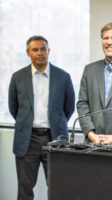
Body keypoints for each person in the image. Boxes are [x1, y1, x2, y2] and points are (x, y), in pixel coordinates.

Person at [8, 35, 75, 200]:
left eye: (43, 49)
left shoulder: (63, 77)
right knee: (24, 190)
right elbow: (14, 108)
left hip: (55, 140)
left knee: (58, 189)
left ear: (49, 51)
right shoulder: (18, 77)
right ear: (28, 53)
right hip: (27, 140)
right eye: (35, 49)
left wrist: (56, 123)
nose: (40, 53)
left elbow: (69, 108)